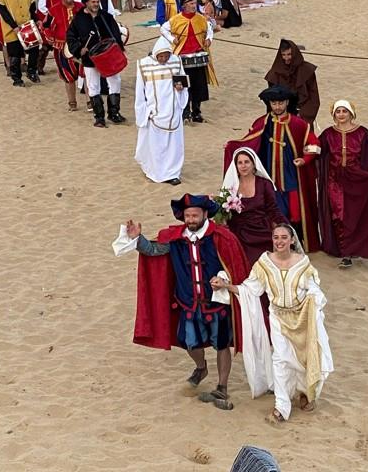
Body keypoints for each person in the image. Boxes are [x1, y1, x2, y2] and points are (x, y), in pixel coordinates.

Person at [121, 194, 250, 411]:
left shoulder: (221, 237)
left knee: (221, 345)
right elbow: (153, 250)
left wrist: (225, 281)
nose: (190, 219)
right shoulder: (175, 238)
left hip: (216, 303)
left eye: (195, 215)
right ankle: (201, 367)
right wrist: (138, 240)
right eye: (187, 215)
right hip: (189, 302)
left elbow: (235, 266)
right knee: (189, 342)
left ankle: (222, 386)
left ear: (205, 214)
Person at [212, 223, 333, 423]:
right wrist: (226, 286)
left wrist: (314, 300)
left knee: (304, 360)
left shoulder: (303, 263)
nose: (279, 241)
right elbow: (251, 289)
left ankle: (305, 392)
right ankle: (281, 406)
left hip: (302, 319)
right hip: (277, 318)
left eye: (284, 237)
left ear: (292, 240)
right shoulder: (264, 263)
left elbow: (313, 288)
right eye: (276, 237)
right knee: (280, 359)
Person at [224, 85, 321, 252]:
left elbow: (314, 145)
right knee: (271, 209)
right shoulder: (262, 122)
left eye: (280, 103)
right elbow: (249, 142)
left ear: (287, 102)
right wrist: (232, 146)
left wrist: (305, 159)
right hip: (268, 174)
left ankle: (296, 242)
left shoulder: (299, 124)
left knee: (295, 212)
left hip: (291, 176)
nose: (277, 107)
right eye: (274, 103)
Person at [317, 100, 368, 268]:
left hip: (357, 180)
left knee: (354, 216)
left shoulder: (362, 133)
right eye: (338, 111)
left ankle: (352, 249)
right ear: (334, 114)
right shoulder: (328, 134)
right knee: (339, 215)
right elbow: (319, 151)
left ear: (351, 113)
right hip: (334, 180)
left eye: (344, 111)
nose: (341, 114)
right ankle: (345, 252)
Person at [66, 0, 127, 127]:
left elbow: (115, 34)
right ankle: (99, 117)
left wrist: (118, 47)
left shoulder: (106, 16)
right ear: (86, 3)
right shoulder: (78, 19)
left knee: (115, 82)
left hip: (108, 55)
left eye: (97, 2)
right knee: (93, 86)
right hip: (90, 58)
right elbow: (70, 36)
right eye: (93, 2)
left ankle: (114, 113)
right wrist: (78, 49)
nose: (96, 4)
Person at [135, 37, 188, 185]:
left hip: (173, 111)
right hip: (154, 113)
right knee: (156, 145)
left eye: (166, 56)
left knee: (174, 145)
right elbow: (140, 91)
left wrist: (180, 89)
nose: (164, 59)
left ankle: (173, 173)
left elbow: (182, 81)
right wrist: (142, 112)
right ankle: (155, 172)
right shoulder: (144, 65)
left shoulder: (176, 62)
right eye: (161, 56)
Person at [221, 147, 288, 265]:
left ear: (253, 164)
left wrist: (285, 227)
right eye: (240, 163)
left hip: (261, 229)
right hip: (238, 232)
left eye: (247, 162)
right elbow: (223, 212)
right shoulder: (230, 186)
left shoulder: (264, 184)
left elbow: (273, 209)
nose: (243, 166)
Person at [160, 0, 215, 123]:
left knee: (198, 85)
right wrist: (172, 39)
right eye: (190, 3)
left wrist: (208, 39)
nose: (193, 5)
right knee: (184, 85)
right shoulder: (175, 20)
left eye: (194, 2)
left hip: (197, 55)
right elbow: (163, 29)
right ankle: (185, 112)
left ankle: (196, 112)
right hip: (181, 57)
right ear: (184, 5)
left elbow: (209, 29)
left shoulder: (201, 19)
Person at [0, 0, 39, 86]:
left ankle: (31, 71)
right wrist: (14, 26)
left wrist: (36, 20)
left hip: (27, 27)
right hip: (11, 30)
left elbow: (32, 8)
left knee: (34, 49)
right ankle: (17, 79)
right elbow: (4, 14)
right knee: (15, 55)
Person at [42, 0, 84, 111]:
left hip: (81, 46)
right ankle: (72, 103)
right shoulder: (53, 10)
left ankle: (90, 102)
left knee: (86, 74)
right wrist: (50, 39)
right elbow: (45, 26)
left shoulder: (80, 8)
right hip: (61, 47)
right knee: (68, 76)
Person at [265, 39, 320, 125]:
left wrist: (303, 116)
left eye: (289, 54)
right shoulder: (275, 72)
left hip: (301, 115)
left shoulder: (307, 70)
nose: (286, 58)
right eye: (283, 55)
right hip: (281, 115)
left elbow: (313, 97)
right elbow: (272, 98)